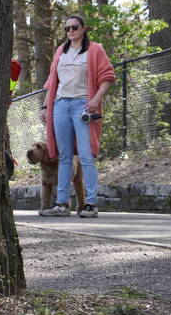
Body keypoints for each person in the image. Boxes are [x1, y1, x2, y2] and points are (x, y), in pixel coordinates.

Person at [38, 15, 115, 218]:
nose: (70, 31)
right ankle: (62, 204)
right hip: (60, 105)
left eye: (74, 27)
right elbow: (51, 81)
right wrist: (46, 106)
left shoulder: (95, 50)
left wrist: (95, 100)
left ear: (83, 29)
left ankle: (91, 204)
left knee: (86, 154)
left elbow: (108, 77)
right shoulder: (60, 51)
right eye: (67, 28)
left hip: (83, 106)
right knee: (64, 156)